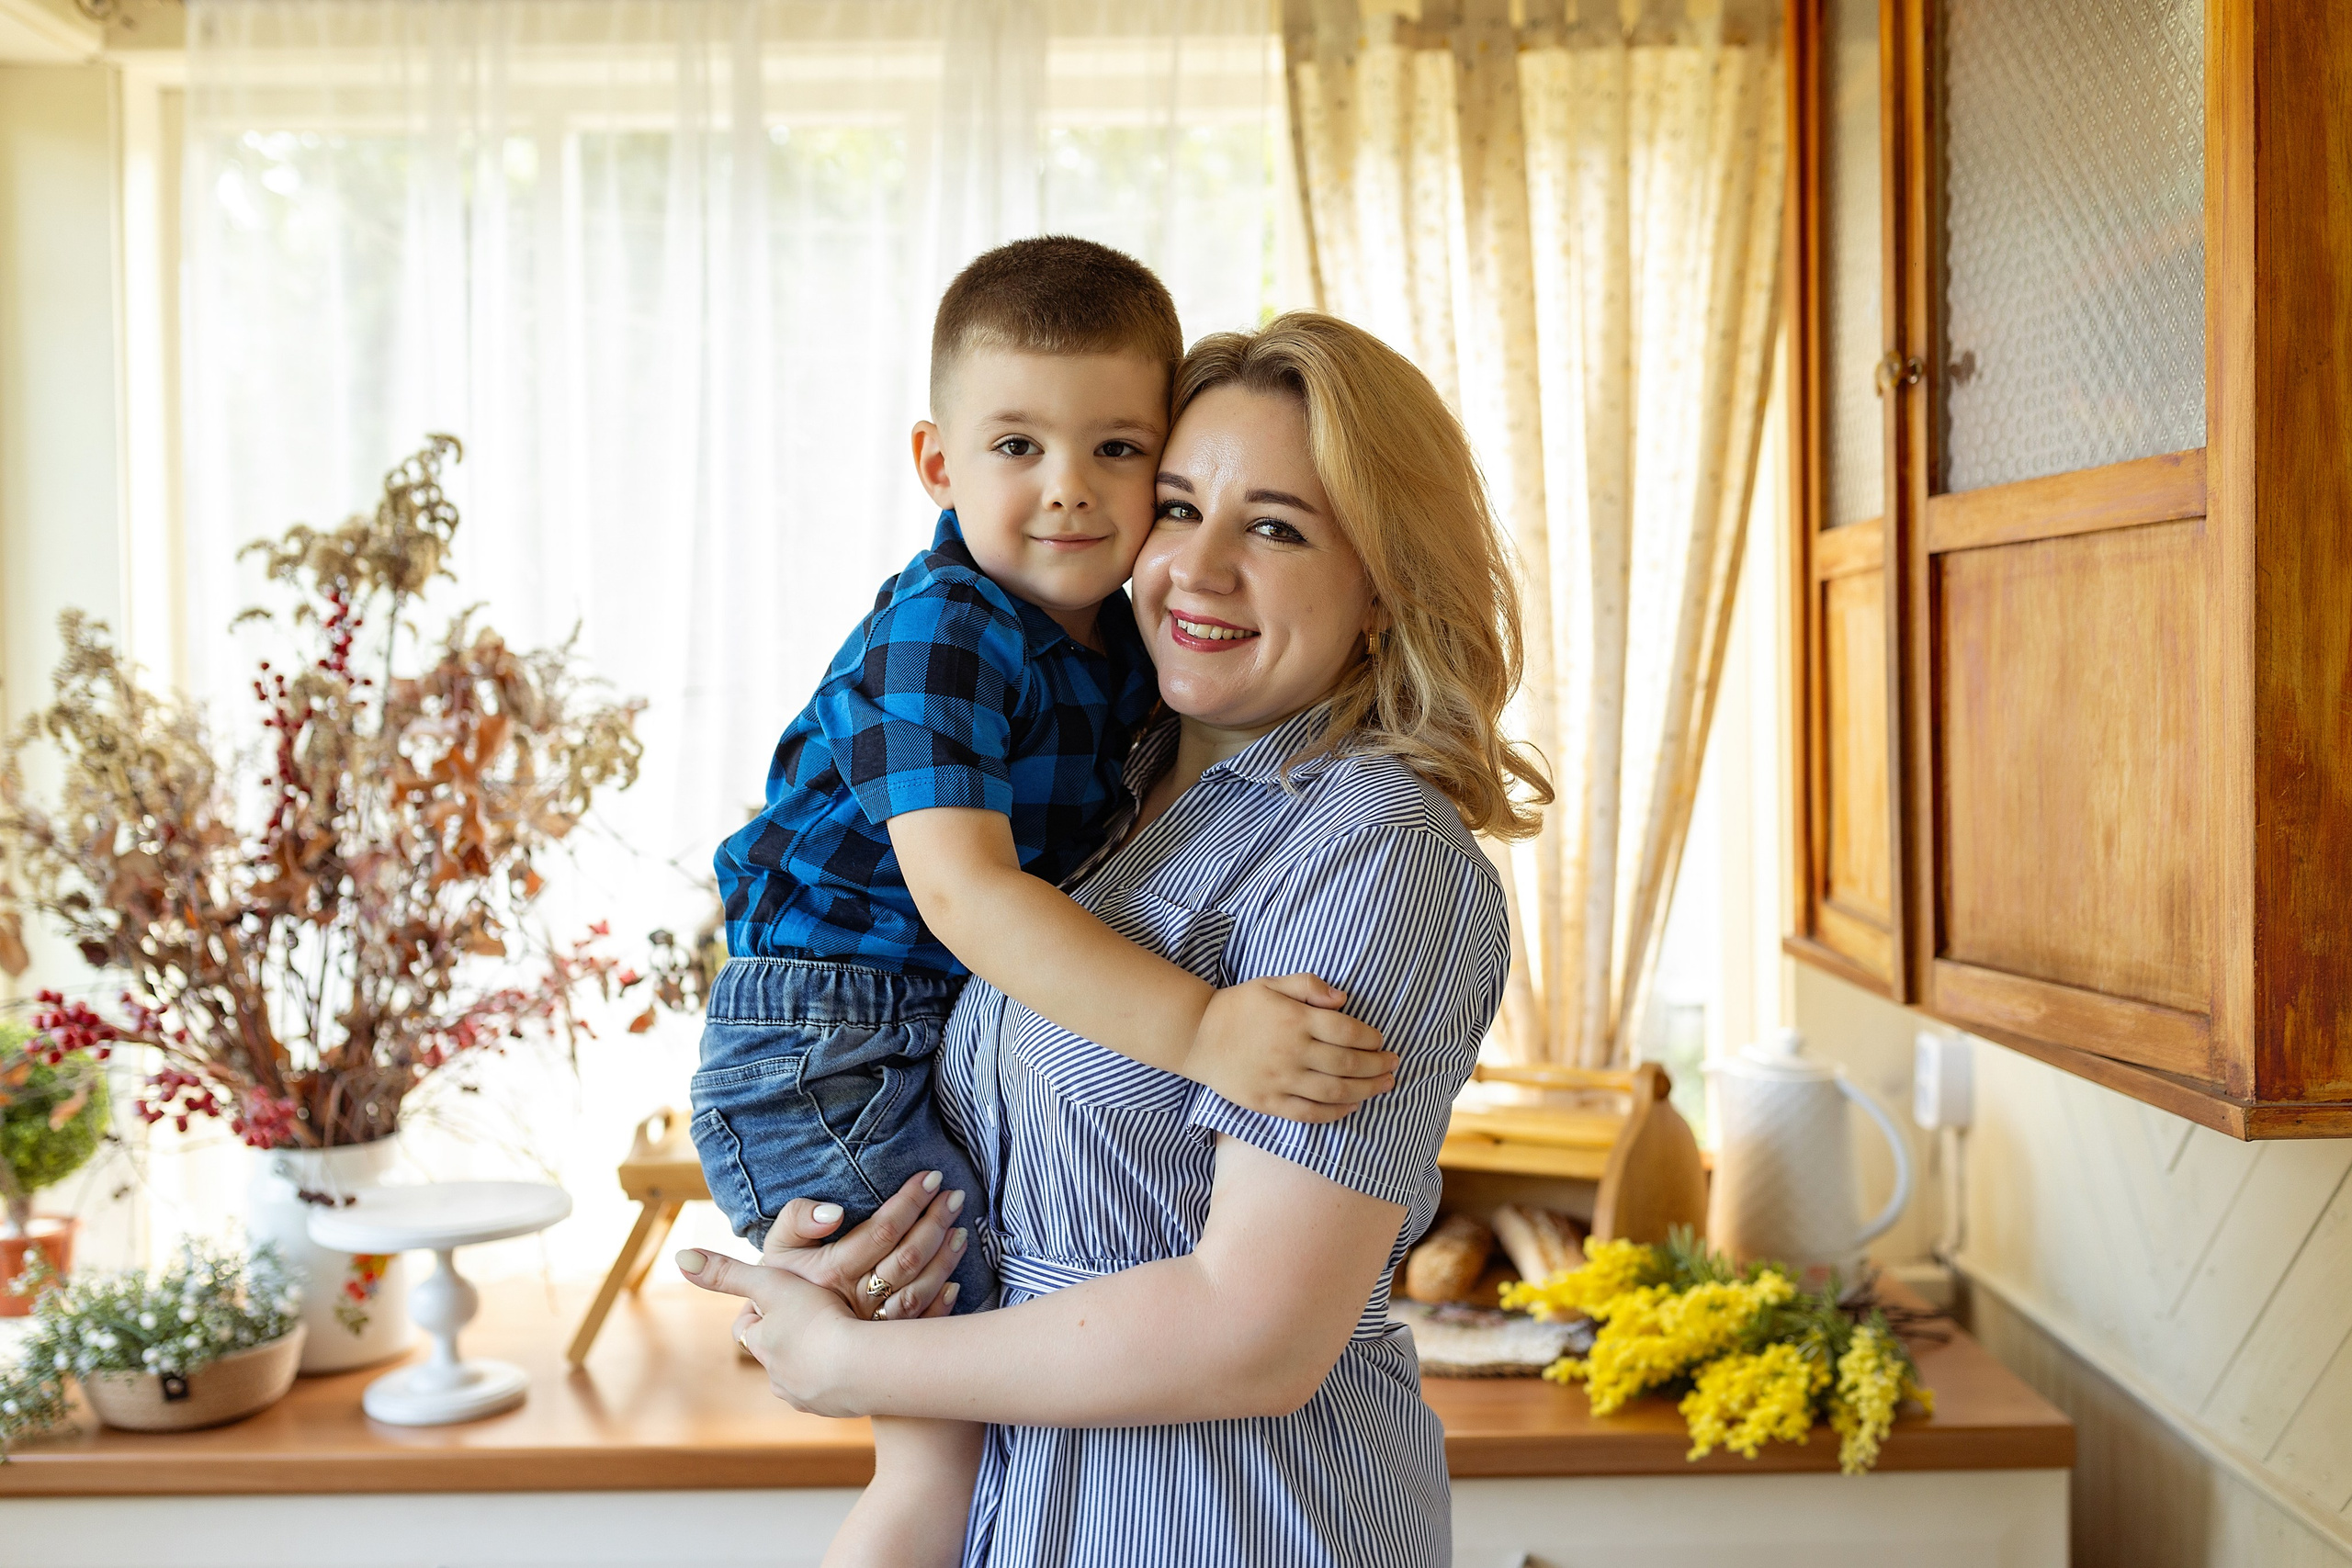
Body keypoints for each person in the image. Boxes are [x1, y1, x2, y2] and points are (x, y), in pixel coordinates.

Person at [681, 311, 1552, 1567]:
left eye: (1277, 526)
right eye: (1182, 507)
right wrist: (842, 1262)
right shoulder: (1089, 799)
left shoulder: (1375, 851)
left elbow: (1255, 1333)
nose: (1199, 569)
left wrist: (863, 1359)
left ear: (1384, 589)